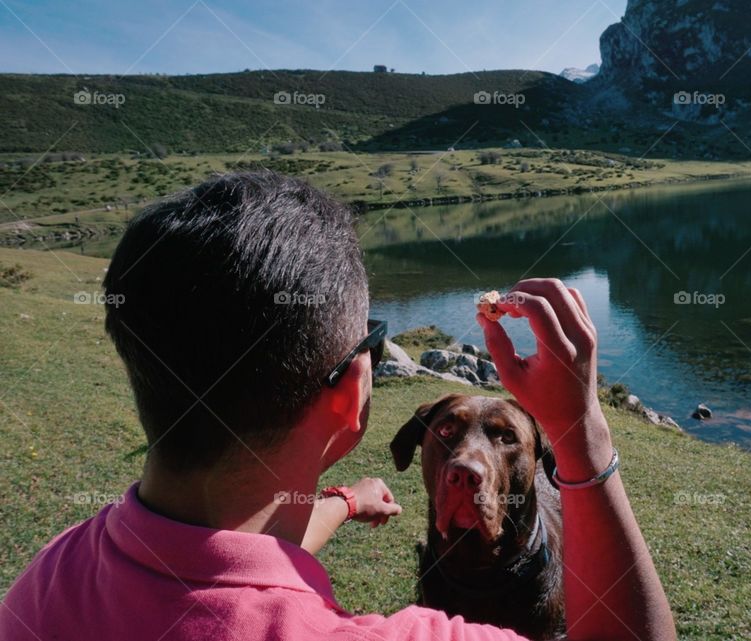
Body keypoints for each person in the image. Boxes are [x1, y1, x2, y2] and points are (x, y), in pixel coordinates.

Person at [0, 172, 675, 641]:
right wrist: (582, 430)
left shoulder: (48, 578)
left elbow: (232, 554)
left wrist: (346, 502)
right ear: (352, 392)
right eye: (372, 344)